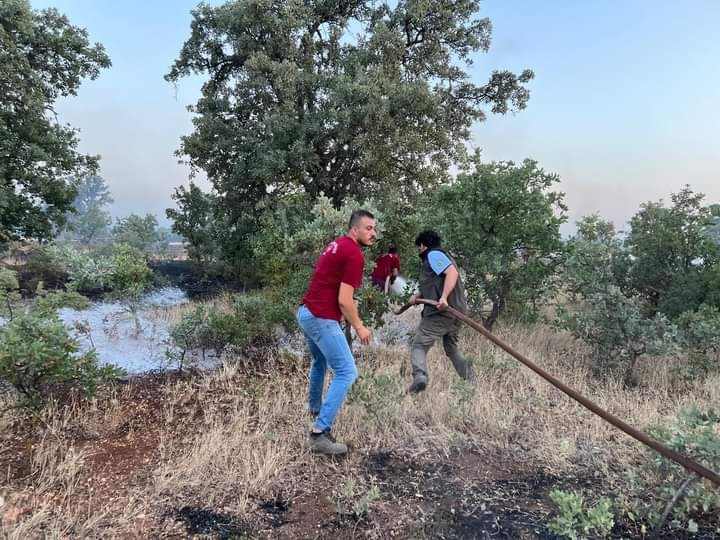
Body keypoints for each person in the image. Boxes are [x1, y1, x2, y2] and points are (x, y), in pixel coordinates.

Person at [297, 210, 377, 455]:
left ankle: (315, 408)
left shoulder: (336, 245)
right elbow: (345, 300)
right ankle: (319, 433)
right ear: (355, 229)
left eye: (374, 229)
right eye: (368, 228)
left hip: (306, 313)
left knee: (319, 361)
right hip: (320, 317)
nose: (373, 233)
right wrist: (359, 326)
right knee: (347, 371)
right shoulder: (353, 253)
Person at [408, 229, 472, 393]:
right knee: (451, 348)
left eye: (419, 247)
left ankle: (420, 377)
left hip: (442, 312)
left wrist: (443, 298)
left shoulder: (433, 255)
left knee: (418, 346)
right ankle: (471, 379)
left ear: (423, 245)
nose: (419, 251)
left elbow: (452, 273)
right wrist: (418, 296)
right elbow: (438, 282)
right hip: (456, 312)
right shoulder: (442, 256)